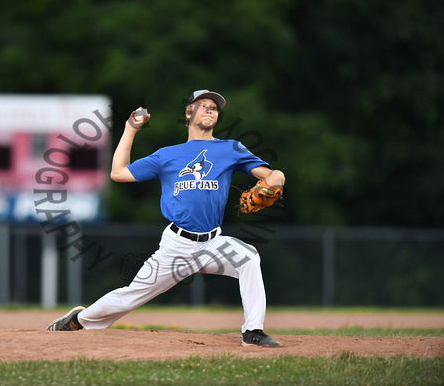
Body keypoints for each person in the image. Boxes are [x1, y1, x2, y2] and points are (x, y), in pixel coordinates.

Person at [47, 90, 285, 347]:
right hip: (176, 246)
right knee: (131, 297)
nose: (208, 110)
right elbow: (118, 173)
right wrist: (130, 130)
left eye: (213, 108)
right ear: (188, 113)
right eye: (202, 105)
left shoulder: (230, 149)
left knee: (248, 258)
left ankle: (253, 332)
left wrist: (276, 178)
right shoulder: (167, 155)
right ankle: (79, 319)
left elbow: (271, 175)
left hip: (212, 243)